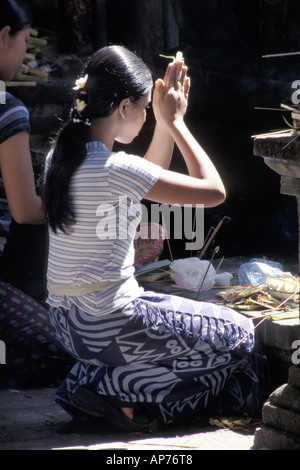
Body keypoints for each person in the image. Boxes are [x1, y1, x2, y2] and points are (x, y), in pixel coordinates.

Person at [43, 45, 269, 431]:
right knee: (240, 335)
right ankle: (118, 395)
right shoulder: (115, 167)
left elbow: (146, 174)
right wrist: (178, 123)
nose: (148, 116)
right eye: (146, 108)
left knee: (183, 323)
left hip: (69, 326)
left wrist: (163, 122)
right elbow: (213, 191)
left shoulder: (62, 157)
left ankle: (89, 386)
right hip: (108, 323)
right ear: (124, 107)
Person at [0, 0, 72, 387]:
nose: (25, 53)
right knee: (67, 353)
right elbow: (26, 210)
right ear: (3, 37)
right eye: (25, 40)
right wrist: (84, 210)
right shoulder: (7, 110)